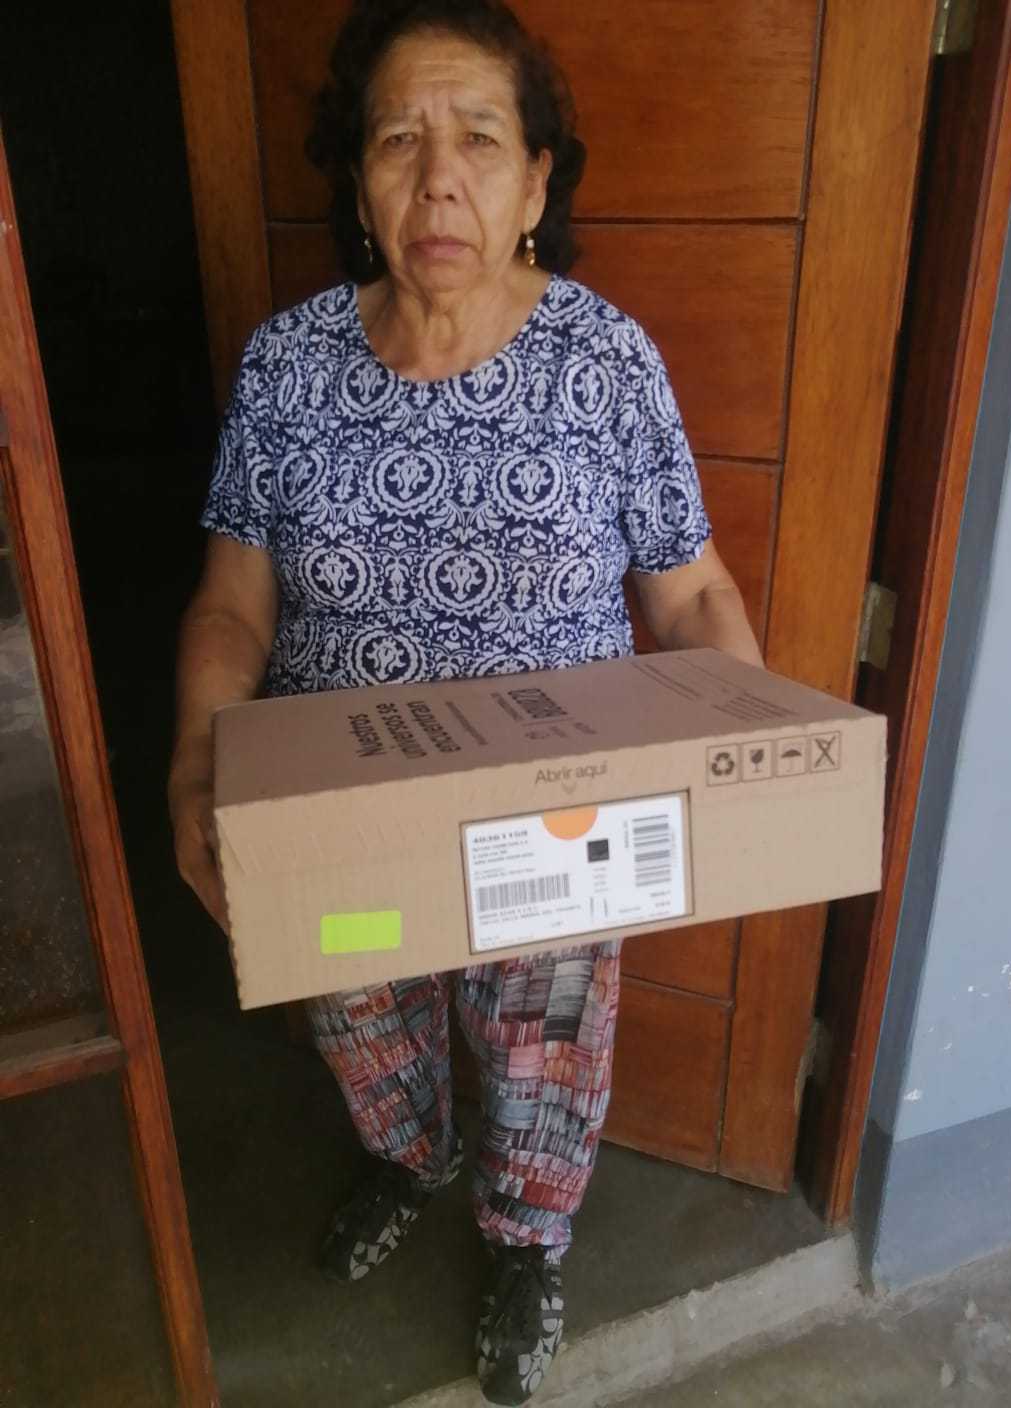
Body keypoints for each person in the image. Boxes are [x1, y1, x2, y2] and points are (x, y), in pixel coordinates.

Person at [168, 1, 764, 1402]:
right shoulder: (286, 369)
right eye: (399, 140)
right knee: (360, 1013)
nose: (440, 179)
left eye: (481, 141)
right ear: (358, 183)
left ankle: (526, 1239)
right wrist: (194, 770)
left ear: (537, 184)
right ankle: (413, 1157)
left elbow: (690, 599)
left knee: (543, 1045)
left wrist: (740, 773)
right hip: (345, 829)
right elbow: (233, 606)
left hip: (554, 828)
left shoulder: (605, 365)